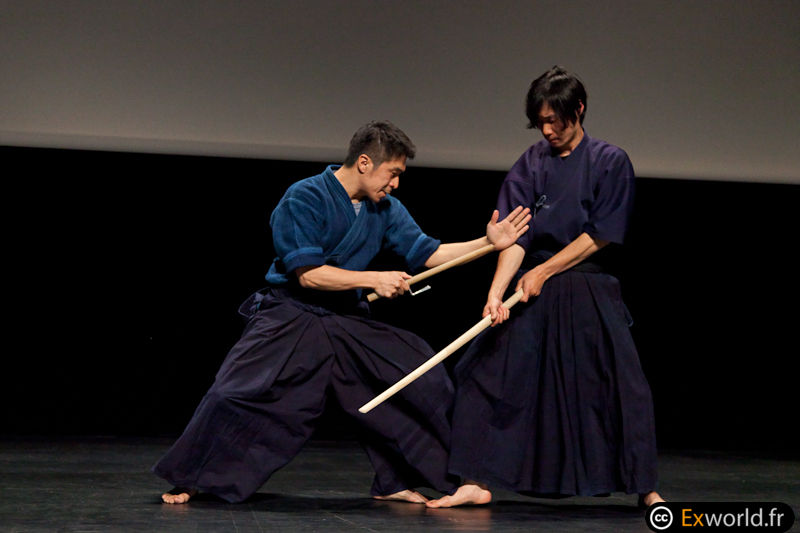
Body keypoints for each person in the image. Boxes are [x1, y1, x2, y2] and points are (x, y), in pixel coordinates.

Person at [153, 120, 531, 504]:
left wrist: (487, 242)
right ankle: (190, 477)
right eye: (392, 173)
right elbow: (309, 275)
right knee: (235, 391)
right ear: (364, 162)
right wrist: (374, 279)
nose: (396, 184)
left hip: (346, 318)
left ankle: (396, 480)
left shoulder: (385, 208)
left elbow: (430, 253)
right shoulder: (304, 197)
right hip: (293, 314)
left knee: (418, 375)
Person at [427, 67, 664, 508]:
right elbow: (515, 235)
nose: (548, 130)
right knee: (480, 373)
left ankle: (645, 487)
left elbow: (601, 234)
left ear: (579, 109)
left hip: (587, 287)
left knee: (623, 386)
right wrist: (496, 292)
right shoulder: (532, 163)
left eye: (555, 120)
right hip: (531, 285)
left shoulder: (610, 161)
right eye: (541, 122)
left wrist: (545, 271)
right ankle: (475, 480)